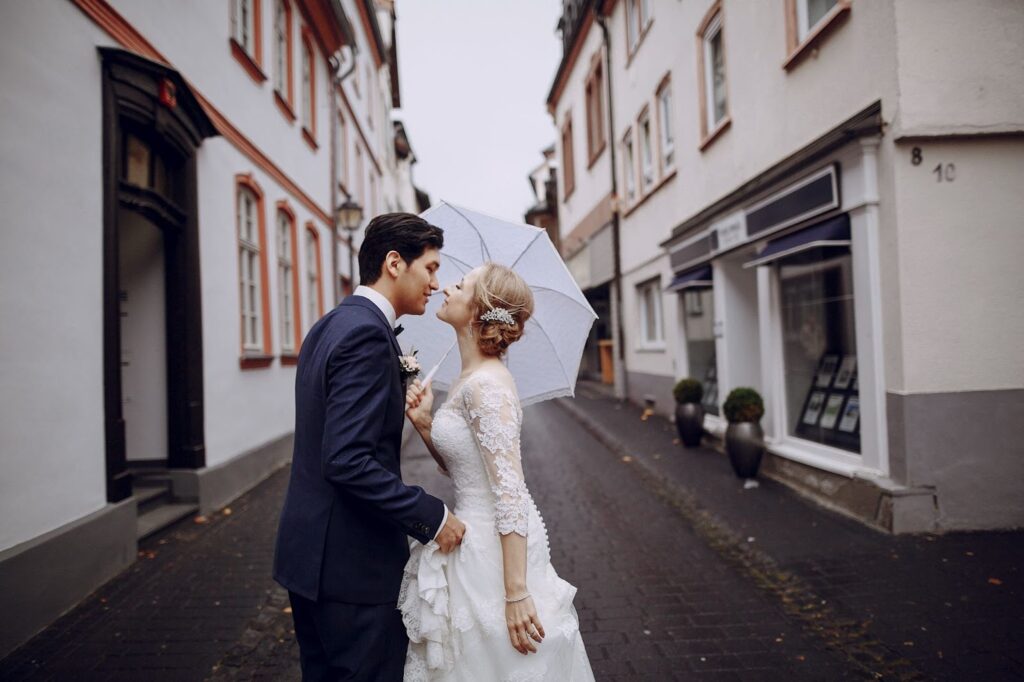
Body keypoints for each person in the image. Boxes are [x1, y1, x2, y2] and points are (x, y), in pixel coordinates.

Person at [273, 213, 467, 681]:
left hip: (309, 560)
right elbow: (346, 459)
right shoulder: (365, 335)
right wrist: (431, 515)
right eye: (432, 268)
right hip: (351, 569)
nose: (437, 284)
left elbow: (336, 430)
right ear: (395, 263)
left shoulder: (331, 324)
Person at [401, 263, 595, 681]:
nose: (447, 287)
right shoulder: (465, 379)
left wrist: (515, 592)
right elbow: (466, 470)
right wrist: (424, 425)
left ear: (478, 310)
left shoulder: (486, 386)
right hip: (471, 539)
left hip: (496, 550)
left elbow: (508, 491)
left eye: (462, 284)